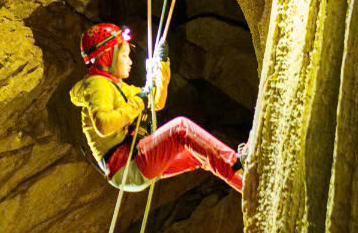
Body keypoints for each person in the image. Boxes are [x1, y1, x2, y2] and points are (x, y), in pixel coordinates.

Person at [69, 22, 243, 193]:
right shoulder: (97, 84)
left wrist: (162, 65)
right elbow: (103, 125)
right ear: (108, 57)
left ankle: (247, 185)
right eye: (124, 56)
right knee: (181, 128)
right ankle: (238, 163)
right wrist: (139, 102)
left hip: (131, 165)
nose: (130, 61)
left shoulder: (118, 87)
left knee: (200, 155)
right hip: (127, 165)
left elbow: (156, 102)